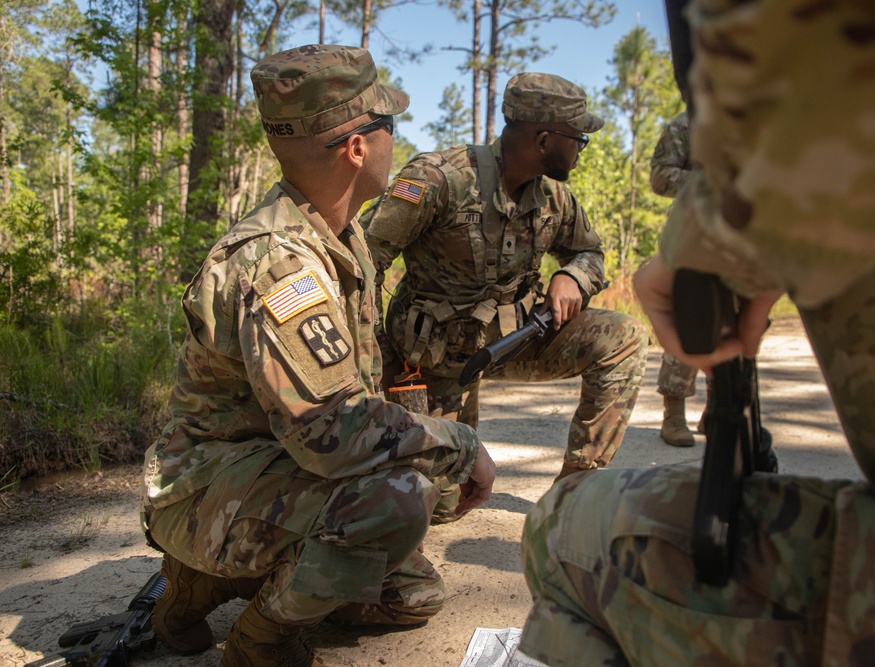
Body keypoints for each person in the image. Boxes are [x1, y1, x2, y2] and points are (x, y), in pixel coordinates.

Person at [519, 2, 875, 666]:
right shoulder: (674, 131)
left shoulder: (567, 198)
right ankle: (677, 415)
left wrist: (725, 222)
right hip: (745, 238)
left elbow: (842, 56)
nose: (581, 149)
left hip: (753, 229)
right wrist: (724, 213)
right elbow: (670, 174)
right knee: (698, 344)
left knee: (564, 535)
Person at [140, 45, 496, 667]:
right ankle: (260, 640)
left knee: (415, 592)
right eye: (389, 126)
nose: (396, 142)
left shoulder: (341, 236)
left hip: (268, 468)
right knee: (399, 499)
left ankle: (214, 584)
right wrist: (461, 444)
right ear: (357, 147)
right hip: (201, 491)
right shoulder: (280, 261)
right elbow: (332, 431)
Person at [360, 72, 649, 519]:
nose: (580, 151)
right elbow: (360, 262)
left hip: (515, 340)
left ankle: (572, 496)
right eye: (579, 140)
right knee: (439, 507)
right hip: (433, 359)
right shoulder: (440, 180)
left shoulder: (556, 198)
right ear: (545, 139)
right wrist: (382, 362)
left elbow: (589, 250)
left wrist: (573, 274)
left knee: (624, 336)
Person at [648, 110, 701, 447]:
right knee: (690, 318)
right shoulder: (686, 125)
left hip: (744, 233)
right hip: (693, 232)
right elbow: (660, 177)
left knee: (744, 322)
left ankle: (725, 406)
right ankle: (674, 413)